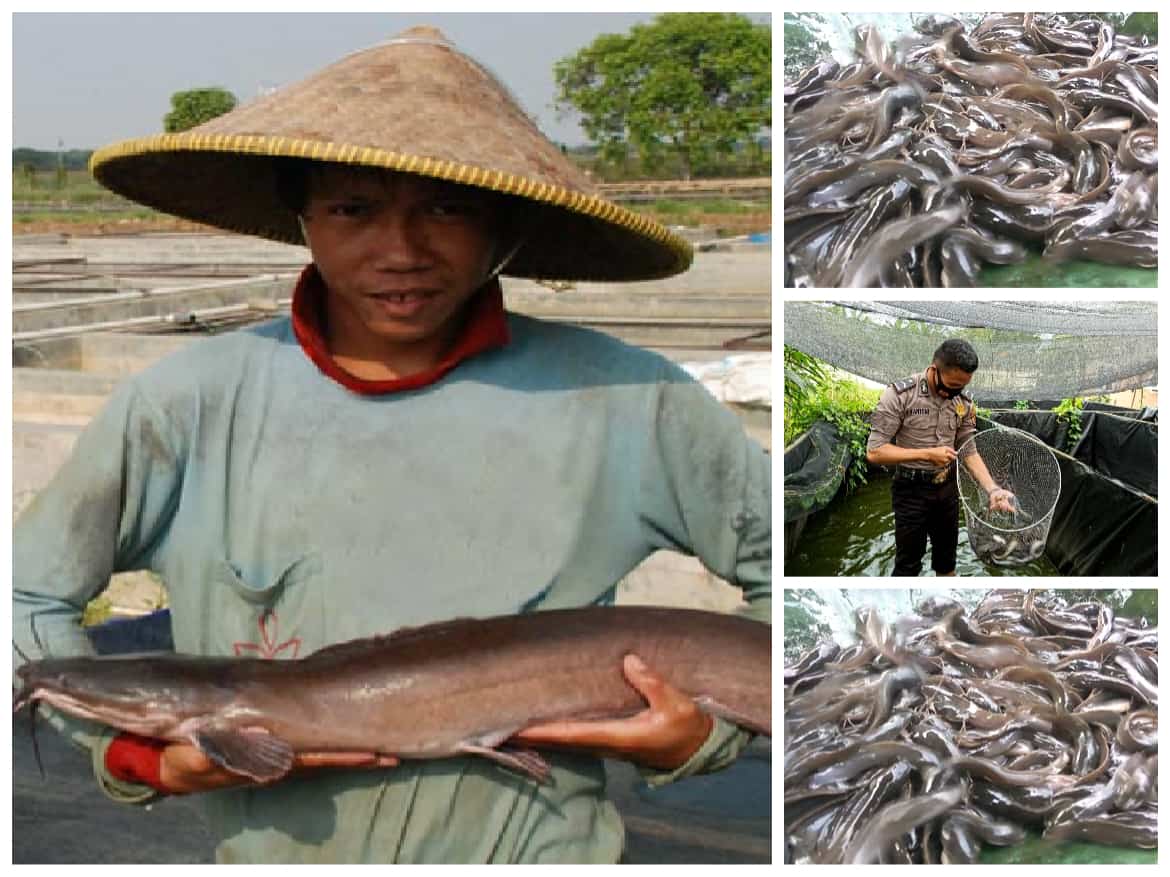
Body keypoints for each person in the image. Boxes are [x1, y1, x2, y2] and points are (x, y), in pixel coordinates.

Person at [12, 26, 770, 864]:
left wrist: (697, 738)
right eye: (353, 208)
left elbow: (816, 582)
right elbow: (24, 598)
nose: (401, 251)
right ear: (301, 217)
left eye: (447, 208)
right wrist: (135, 755)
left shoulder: (633, 400)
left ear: (507, 227)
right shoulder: (185, 405)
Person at [865, 339, 1014, 577]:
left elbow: (968, 450)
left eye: (961, 387)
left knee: (947, 564)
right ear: (935, 370)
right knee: (908, 566)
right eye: (952, 385)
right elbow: (875, 452)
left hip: (947, 489)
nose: (955, 393)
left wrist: (993, 490)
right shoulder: (899, 395)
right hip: (910, 489)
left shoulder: (963, 403)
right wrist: (926, 453)